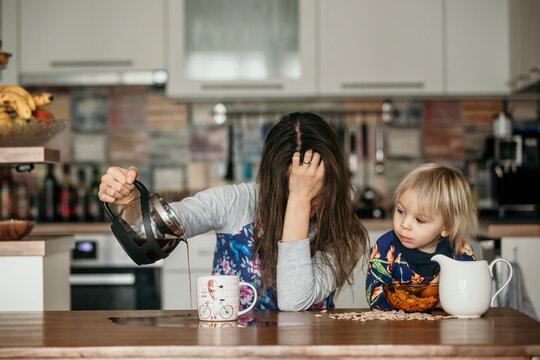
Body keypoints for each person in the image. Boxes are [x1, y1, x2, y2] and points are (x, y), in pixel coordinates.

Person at [99, 112, 369, 311]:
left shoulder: (344, 233)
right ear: (271, 180)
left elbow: (294, 301)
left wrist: (299, 198)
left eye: (312, 186)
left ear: (333, 180)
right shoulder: (238, 201)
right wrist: (131, 201)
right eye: (290, 186)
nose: (301, 196)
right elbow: (162, 228)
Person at [365, 163, 478, 310]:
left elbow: (469, 297)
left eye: (419, 220)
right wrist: (426, 300)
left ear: (447, 227)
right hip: (395, 330)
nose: (404, 224)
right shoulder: (385, 248)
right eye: (400, 211)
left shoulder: (460, 253)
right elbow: (375, 298)